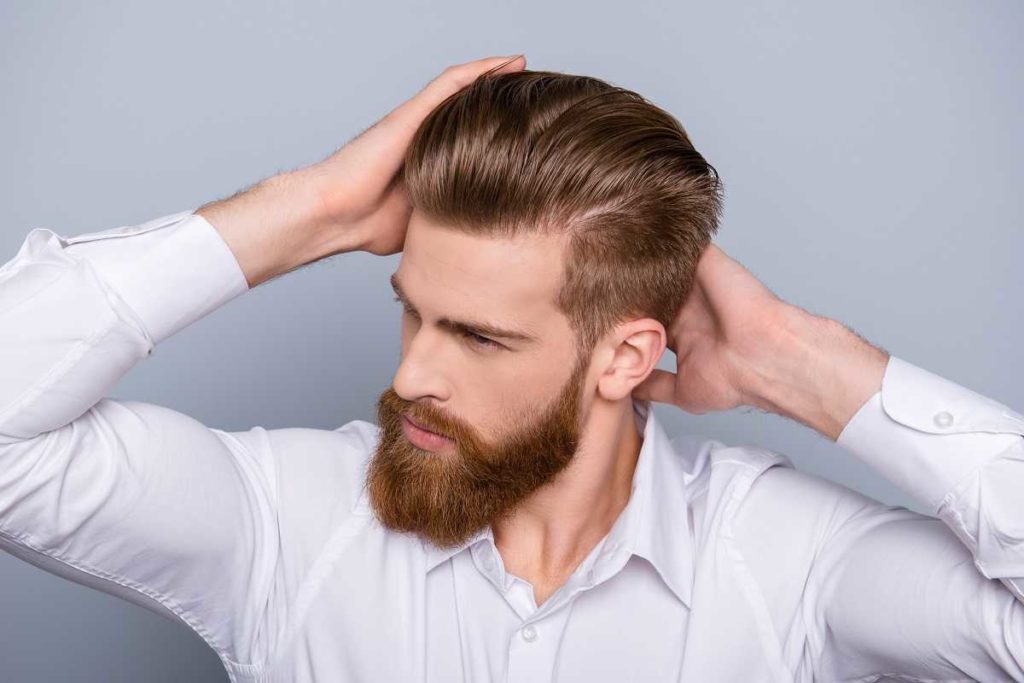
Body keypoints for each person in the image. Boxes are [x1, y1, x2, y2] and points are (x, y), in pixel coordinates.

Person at [0, 53, 1021, 682]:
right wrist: (305, 213)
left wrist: (808, 367)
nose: (410, 379)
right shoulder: (284, 520)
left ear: (627, 354)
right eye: (413, 315)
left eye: (480, 336)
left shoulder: (788, 564)